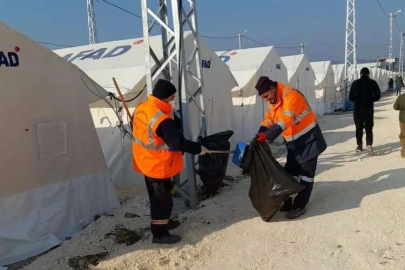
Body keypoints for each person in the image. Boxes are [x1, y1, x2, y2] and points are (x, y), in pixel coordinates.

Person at [132, 79, 210, 244]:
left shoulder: (142, 107)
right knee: (161, 200)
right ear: (165, 98)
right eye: (172, 97)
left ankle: (165, 222)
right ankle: (159, 234)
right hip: (156, 165)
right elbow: (177, 143)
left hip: (145, 159)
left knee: (165, 193)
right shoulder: (161, 119)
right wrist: (198, 149)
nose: (174, 100)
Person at [255, 76, 327, 219]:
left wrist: (268, 136)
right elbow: (269, 119)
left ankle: (300, 206)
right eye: (263, 98)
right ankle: (286, 203)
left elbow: (286, 120)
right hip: (293, 144)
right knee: (288, 174)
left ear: (272, 88)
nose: (267, 100)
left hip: (309, 141)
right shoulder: (274, 101)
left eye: (266, 96)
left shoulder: (291, 95)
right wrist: (261, 132)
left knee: (306, 176)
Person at [349, 67, 381, 155]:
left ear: (360, 74)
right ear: (368, 74)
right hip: (368, 109)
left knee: (358, 128)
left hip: (358, 109)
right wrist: (371, 99)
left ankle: (359, 146)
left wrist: (357, 100)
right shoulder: (373, 83)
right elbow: (378, 96)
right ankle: (369, 145)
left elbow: (350, 98)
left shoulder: (355, 83)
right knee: (369, 128)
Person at [394, 92, 405, 158]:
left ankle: (404, 153)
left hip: (403, 119)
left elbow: (395, 107)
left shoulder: (401, 97)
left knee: (403, 135)